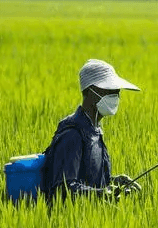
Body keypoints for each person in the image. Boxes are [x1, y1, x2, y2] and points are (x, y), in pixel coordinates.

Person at [41, 59, 141, 202]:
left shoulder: (95, 130)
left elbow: (89, 181)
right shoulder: (72, 134)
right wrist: (101, 193)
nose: (116, 95)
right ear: (91, 92)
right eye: (110, 90)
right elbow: (63, 188)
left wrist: (113, 182)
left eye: (117, 91)